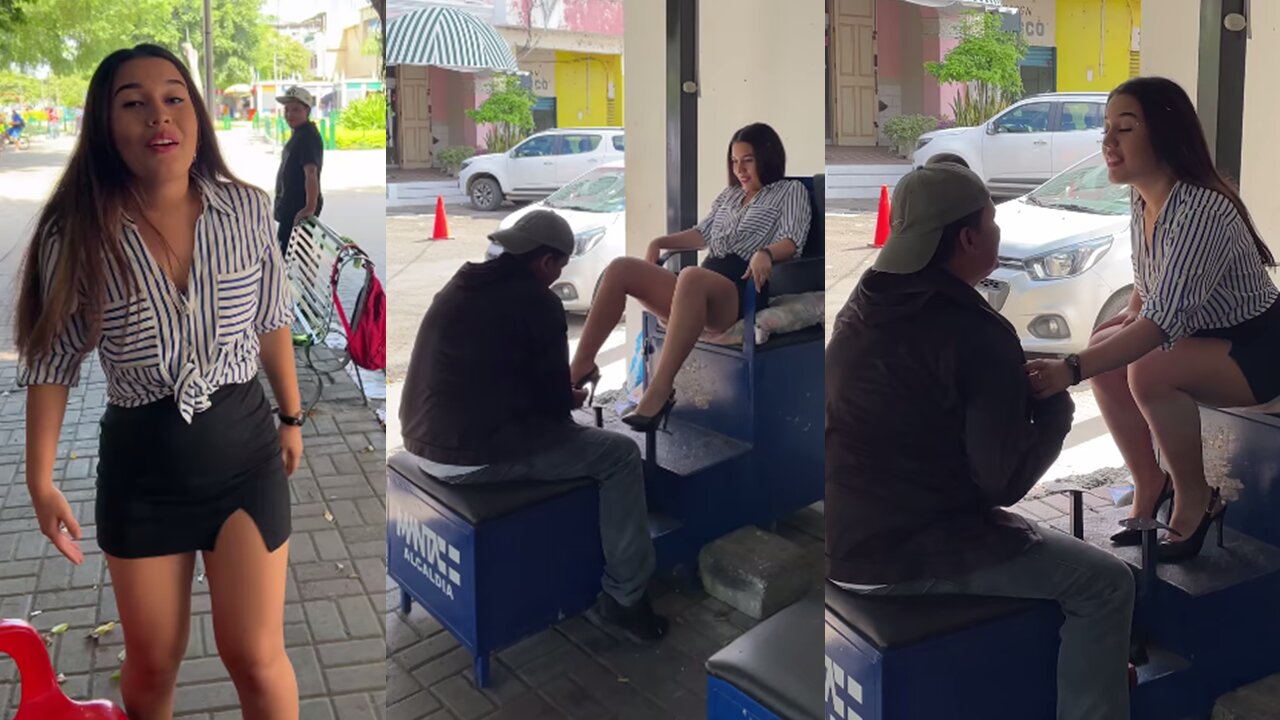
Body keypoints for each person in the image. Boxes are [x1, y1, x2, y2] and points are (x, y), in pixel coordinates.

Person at [14, 44, 302, 719]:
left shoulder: (246, 210)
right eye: (133, 103)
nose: (158, 116)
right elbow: (52, 360)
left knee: (256, 658)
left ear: (196, 115)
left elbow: (271, 319)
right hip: (141, 469)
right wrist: (39, 478)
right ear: (106, 127)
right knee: (150, 665)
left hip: (244, 455)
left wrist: (290, 418)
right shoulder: (75, 231)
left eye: (174, 97)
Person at [826, 163, 1136, 720]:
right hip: (904, 555)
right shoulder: (977, 333)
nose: (997, 231)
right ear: (969, 238)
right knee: (1106, 584)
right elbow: (1005, 483)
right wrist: (1056, 406)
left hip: (840, 538)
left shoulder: (862, 305)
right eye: (991, 221)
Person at [1026, 76, 1280, 562]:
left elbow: (1160, 324)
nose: (1108, 141)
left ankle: (1196, 498)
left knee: (1146, 368)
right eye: (1106, 128)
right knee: (1108, 340)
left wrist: (1072, 369)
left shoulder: (1201, 208)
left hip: (1258, 348)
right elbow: (1144, 296)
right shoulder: (1144, 199)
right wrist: (1099, 349)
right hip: (1206, 343)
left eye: (1124, 128)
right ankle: (1151, 481)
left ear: (1165, 135)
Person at [399, 210, 669, 644]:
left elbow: (495, 373)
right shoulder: (537, 301)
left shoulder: (465, 282)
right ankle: (625, 599)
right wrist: (571, 397)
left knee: (584, 441)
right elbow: (553, 406)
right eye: (560, 265)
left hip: (419, 438)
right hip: (469, 456)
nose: (558, 274)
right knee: (619, 456)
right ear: (545, 262)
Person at [568, 122, 811, 431]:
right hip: (698, 285)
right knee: (621, 268)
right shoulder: (730, 196)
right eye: (734, 162)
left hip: (739, 288)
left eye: (747, 160)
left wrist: (766, 252)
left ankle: (660, 387)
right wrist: (661, 242)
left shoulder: (790, 191)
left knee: (691, 276)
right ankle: (580, 367)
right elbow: (703, 233)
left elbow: (793, 239)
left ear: (767, 156)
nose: (740, 169)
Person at [272, 85, 323, 256]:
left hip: (298, 207)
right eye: (287, 110)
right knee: (288, 252)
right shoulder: (299, 133)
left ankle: (294, 282)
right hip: (290, 205)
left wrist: (309, 207)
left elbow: (311, 173)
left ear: (307, 111)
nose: (289, 114)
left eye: (295, 110)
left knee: (290, 253)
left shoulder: (308, 136)